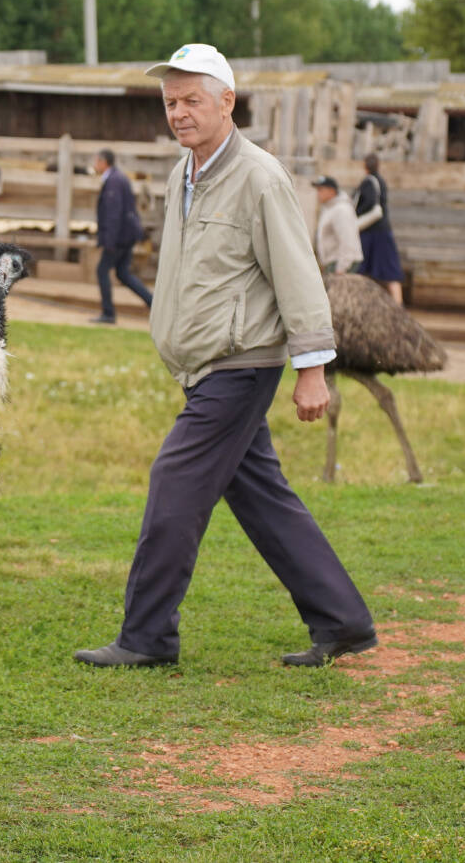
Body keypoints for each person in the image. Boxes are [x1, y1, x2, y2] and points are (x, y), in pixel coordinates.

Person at [74, 44, 375, 669]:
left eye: (191, 101)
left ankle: (147, 637)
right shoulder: (186, 172)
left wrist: (311, 370)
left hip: (241, 364)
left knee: (173, 481)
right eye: (171, 103)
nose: (180, 113)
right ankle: (343, 621)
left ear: (226, 103)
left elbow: (298, 274)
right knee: (262, 495)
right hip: (203, 366)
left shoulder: (260, 177)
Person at [90, 148, 152, 324]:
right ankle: (153, 303)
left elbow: (113, 213)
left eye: (96, 161)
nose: (95, 165)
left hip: (119, 237)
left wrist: (109, 241)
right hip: (126, 235)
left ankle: (108, 313)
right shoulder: (117, 178)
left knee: (102, 270)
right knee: (123, 273)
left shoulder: (114, 182)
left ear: (104, 162)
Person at [354, 153, 403, 304]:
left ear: (365, 166)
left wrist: (356, 215)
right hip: (381, 230)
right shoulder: (380, 181)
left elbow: (368, 204)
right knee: (389, 272)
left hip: (372, 232)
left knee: (361, 270)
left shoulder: (369, 182)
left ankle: (360, 304)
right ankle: (398, 305)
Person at [312, 175, 362, 275]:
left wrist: (341, 268)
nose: (318, 193)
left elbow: (348, 240)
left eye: (320, 190)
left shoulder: (341, 210)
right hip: (334, 262)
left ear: (331, 191)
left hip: (341, 264)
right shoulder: (329, 208)